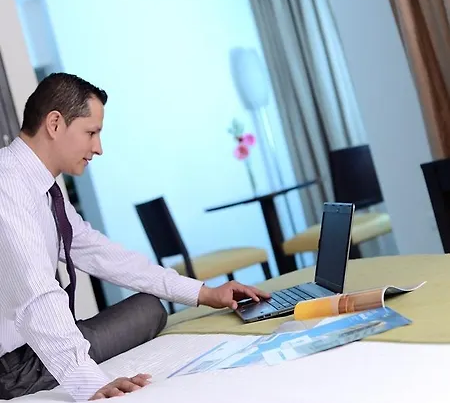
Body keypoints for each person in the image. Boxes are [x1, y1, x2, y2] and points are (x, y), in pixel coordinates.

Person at [0, 73, 270, 402]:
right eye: (91, 133)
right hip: (12, 367)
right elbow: (36, 293)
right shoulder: (8, 185)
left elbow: (103, 255)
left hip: (29, 349)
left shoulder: (38, 187)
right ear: (55, 124)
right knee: (147, 312)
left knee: (148, 307)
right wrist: (88, 383)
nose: (98, 148)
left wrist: (204, 293)